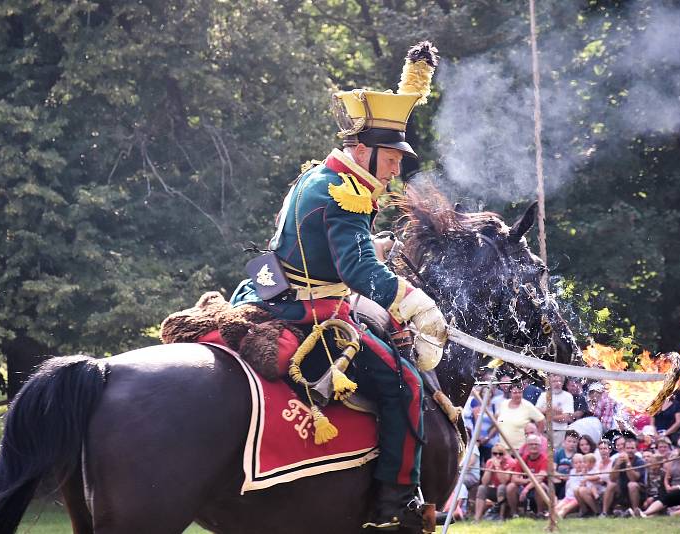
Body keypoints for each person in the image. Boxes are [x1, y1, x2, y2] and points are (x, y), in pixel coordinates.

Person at [230, 41, 447, 531]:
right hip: (308, 312)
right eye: (391, 158)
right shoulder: (346, 194)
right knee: (406, 384)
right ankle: (398, 506)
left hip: (268, 290)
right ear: (364, 150)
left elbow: (326, 252)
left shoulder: (318, 176)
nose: (396, 169)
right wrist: (419, 303)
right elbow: (359, 276)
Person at [640, 437, 680, 517]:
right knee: (665, 495)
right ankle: (646, 515)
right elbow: (667, 477)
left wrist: (678, 487)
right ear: (677, 447)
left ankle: (644, 513)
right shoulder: (673, 460)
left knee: (667, 497)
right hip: (671, 489)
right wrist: (667, 486)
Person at [505, 435, 549, 518]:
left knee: (540, 485)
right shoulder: (523, 459)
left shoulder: (545, 459)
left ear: (540, 446)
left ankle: (540, 513)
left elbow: (540, 478)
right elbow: (514, 478)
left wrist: (526, 489)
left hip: (542, 488)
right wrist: (528, 481)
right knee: (511, 486)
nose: (534, 446)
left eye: (536, 444)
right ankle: (514, 513)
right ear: (527, 446)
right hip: (525, 486)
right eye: (531, 444)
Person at [602, 437, 645, 516]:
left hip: (638, 492)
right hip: (622, 490)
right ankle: (604, 512)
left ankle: (635, 511)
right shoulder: (618, 460)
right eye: (628, 448)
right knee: (611, 484)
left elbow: (633, 479)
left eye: (632, 448)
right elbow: (612, 478)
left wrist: (628, 463)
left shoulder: (640, 461)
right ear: (624, 449)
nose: (630, 450)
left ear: (636, 449)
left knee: (632, 484)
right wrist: (617, 465)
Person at [497, 382, 546, 452]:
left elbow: (541, 420)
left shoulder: (527, 406)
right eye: (515, 393)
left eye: (520, 392)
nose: (517, 395)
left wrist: (537, 436)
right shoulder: (503, 404)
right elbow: (498, 420)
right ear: (510, 394)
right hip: (504, 448)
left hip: (521, 449)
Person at [474, 443, 515, 521]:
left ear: (505, 454)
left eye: (500, 454)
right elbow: (484, 482)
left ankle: (500, 517)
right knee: (481, 488)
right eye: (495, 454)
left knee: (501, 487)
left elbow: (504, 481)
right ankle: (477, 518)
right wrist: (490, 468)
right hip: (495, 490)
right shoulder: (490, 462)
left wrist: (497, 467)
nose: (498, 456)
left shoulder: (511, 462)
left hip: (509, 492)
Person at [536, 375, 575, 448]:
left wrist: (546, 414)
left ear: (563, 383)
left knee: (556, 456)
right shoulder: (543, 395)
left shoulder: (568, 396)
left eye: (559, 381)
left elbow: (565, 418)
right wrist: (552, 409)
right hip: (544, 431)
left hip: (560, 431)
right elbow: (536, 412)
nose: (557, 383)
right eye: (554, 381)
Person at [576, 440, 613, 516]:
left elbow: (601, 478)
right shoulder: (596, 463)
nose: (603, 451)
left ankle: (603, 511)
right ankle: (596, 511)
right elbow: (589, 472)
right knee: (578, 490)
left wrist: (588, 479)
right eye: (601, 449)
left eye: (605, 448)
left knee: (584, 489)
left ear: (610, 450)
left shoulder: (613, 462)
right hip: (595, 487)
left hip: (606, 487)